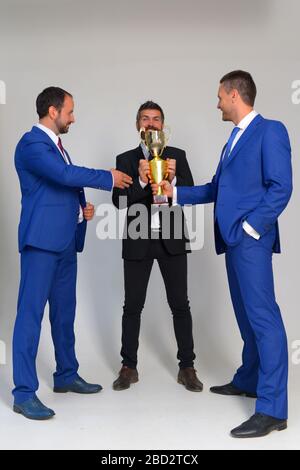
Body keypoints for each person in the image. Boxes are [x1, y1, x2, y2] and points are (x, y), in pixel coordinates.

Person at [156, 71, 293, 438]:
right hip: (232, 241)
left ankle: (272, 409)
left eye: (219, 96)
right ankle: (249, 378)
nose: (216, 103)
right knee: (247, 318)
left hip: (250, 240)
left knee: (264, 318)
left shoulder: (271, 131)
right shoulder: (233, 139)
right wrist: (174, 194)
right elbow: (216, 188)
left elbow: (282, 187)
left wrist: (251, 228)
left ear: (235, 95)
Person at [13, 86, 132, 420]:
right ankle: (23, 393)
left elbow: (60, 186)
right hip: (40, 244)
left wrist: (81, 209)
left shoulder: (56, 146)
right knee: (30, 315)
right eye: (70, 111)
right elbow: (64, 175)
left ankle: (66, 374)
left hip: (65, 242)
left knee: (65, 313)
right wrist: (107, 177)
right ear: (53, 111)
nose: (73, 118)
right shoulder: (32, 144)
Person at [112, 101, 203, 393]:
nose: (151, 124)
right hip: (137, 239)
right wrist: (140, 179)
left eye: (156, 119)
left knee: (180, 305)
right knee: (132, 306)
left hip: (171, 238)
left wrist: (173, 180)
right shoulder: (125, 160)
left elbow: (189, 195)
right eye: (145, 119)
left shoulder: (177, 156)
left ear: (163, 125)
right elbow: (119, 202)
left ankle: (187, 367)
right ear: (137, 125)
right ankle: (129, 367)